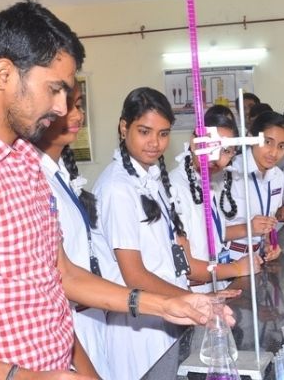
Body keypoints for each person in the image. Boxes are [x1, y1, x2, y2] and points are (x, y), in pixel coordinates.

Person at [0, 0, 225, 379]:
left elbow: (63, 278)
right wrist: (21, 377)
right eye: (55, 89)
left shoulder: (27, 162)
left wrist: (164, 305)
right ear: (4, 74)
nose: (60, 107)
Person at [93, 86, 215, 378]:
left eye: (163, 134)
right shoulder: (117, 187)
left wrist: (192, 298)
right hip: (137, 327)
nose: (155, 143)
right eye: (144, 131)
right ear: (124, 128)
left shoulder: (150, 178)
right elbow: (134, 275)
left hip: (165, 314)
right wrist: (193, 302)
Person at [34, 83, 112, 378]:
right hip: (67, 322)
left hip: (91, 314)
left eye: (79, 106)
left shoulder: (61, 175)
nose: (77, 115)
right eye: (69, 106)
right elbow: (61, 274)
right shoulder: (35, 178)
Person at [169, 106, 263, 293]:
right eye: (212, 146)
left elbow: (211, 233)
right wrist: (237, 268)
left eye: (227, 151)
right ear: (195, 143)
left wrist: (251, 229)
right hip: (191, 293)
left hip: (215, 284)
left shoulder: (211, 181)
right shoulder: (175, 188)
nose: (218, 157)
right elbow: (186, 265)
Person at [226, 111, 284, 262]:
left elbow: (269, 219)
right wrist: (248, 229)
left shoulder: (278, 176)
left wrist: (271, 242)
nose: (274, 153)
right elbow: (207, 233)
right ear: (251, 137)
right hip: (228, 258)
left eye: (282, 146)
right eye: (268, 142)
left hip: (258, 258)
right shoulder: (230, 171)